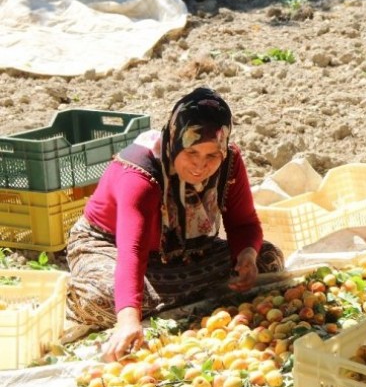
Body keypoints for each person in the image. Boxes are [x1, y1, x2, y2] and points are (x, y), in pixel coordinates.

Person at [66, 87, 284, 362]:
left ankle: (169, 298)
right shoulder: (141, 175)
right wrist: (128, 319)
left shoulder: (230, 164)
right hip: (109, 245)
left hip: (184, 251)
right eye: (191, 152)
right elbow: (131, 252)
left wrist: (247, 255)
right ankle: (133, 301)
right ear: (175, 141)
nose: (200, 166)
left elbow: (244, 224)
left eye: (211, 156)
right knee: (104, 297)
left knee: (267, 259)